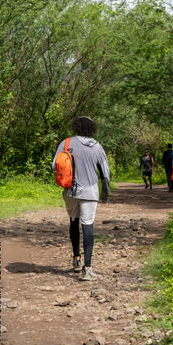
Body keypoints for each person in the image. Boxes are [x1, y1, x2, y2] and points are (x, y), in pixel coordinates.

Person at [52, 116, 110, 281]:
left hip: (70, 191)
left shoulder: (66, 143)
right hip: (90, 192)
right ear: (92, 128)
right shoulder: (97, 147)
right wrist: (105, 194)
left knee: (73, 222)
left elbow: (54, 165)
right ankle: (87, 268)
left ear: (75, 127)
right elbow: (105, 174)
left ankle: (76, 259)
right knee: (87, 226)